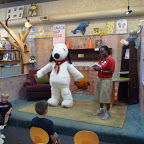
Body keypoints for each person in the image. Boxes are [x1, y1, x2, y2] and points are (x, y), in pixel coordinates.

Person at [93, 45, 115, 120]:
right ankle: (101, 109)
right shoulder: (101, 59)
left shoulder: (111, 60)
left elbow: (111, 72)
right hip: (100, 79)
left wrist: (100, 70)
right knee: (100, 95)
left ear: (107, 51)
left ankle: (107, 112)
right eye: (100, 52)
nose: (101, 53)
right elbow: (100, 67)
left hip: (106, 80)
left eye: (102, 52)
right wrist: (96, 68)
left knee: (106, 96)